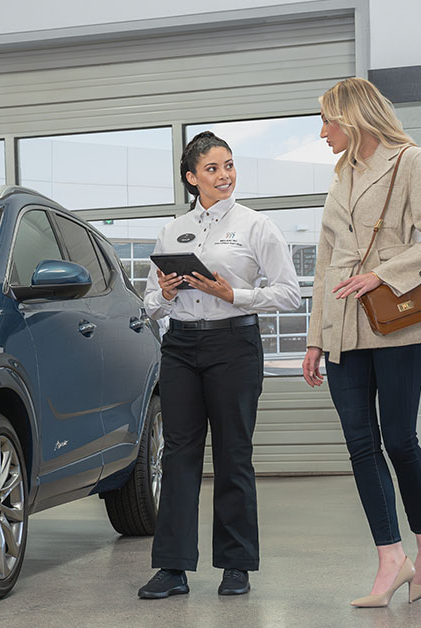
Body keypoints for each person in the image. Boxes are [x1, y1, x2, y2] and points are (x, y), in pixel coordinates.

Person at [301, 77, 421, 607]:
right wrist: (314, 339)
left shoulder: (412, 161)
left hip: (397, 323)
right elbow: (325, 264)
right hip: (343, 326)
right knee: (360, 445)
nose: (322, 132)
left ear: (350, 117)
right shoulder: (341, 174)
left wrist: (383, 274)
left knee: (398, 439)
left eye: (326, 120)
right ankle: (391, 558)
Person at [138, 131, 300, 599]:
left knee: (233, 453)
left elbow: (289, 293)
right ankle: (172, 568)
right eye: (212, 168)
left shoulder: (256, 226)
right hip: (181, 349)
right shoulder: (173, 230)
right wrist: (166, 294)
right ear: (192, 178)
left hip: (234, 346)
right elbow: (150, 301)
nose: (224, 175)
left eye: (228, 165)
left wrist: (234, 295)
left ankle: (235, 566)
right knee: (178, 455)